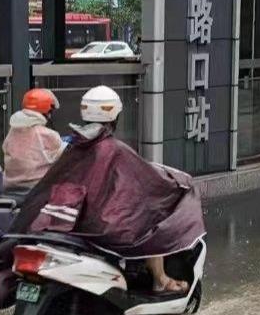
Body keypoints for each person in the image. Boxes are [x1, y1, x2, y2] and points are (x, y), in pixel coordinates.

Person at [13, 86, 204, 296]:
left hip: (73, 221)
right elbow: (147, 178)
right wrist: (177, 183)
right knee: (151, 219)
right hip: (104, 226)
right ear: (115, 116)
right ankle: (160, 280)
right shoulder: (113, 149)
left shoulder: (74, 146)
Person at [2, 87, 65, 189]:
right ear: (47, 111)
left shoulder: (13, 131)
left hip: (9, 186)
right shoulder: (48, 134)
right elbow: (64, 155)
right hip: (37, 188)